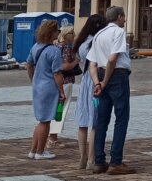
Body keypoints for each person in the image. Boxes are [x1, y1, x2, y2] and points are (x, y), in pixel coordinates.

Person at [88, 6, 135, 175]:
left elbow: (92, 63)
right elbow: (113, 59)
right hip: (116, 77)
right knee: (121, 118)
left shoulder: (99, 34)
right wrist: (106, 81)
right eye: (124, 17)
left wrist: (97, 83)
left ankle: (99, 161)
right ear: (120, 17)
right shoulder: (118, 33)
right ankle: (116, 161)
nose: (125, 20)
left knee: (102, 120)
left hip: (100, 75)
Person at [26, 20, 66, 160]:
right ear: (52, 33)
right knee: (46, 121)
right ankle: (40, 152)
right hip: (49, 87)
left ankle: (33, 150)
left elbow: (29, 65)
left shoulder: (36, 47)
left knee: (41, 119)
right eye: (57, 30)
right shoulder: (54, 50)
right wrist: (61, 90)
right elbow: (57, 73)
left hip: (38, 86)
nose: (59, 33)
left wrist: (33, 80)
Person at [72, 14, 106, 170]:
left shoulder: (80, 43)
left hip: (84, 82)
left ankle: (82, 157)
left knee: (83, 120)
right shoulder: (97, 42)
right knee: (94, 121)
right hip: (95, 82)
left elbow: (79, 61)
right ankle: (92, 158)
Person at [49, 24, 77, 146]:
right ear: (67, 36)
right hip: (65, 81)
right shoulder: (65, 48)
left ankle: (51, 135)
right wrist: (76, 62)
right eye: (72, 34)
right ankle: (53, 137)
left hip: (55, 81)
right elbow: (64, 66)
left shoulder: (55, 45)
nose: (74, 36)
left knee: (54, 108)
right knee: (61, 109)